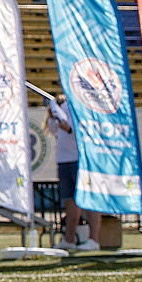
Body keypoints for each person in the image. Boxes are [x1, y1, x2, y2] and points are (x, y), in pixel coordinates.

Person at [47, 99, 93, 250]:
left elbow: (82, 131)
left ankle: (94, 239)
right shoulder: (64, 107)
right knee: (70, 201)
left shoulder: (82, 104)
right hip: (64, 159)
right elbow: (54, 131)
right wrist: (53, 117)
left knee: (88, 201)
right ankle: (69, 239)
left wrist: (68, 129)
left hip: (79, 159)